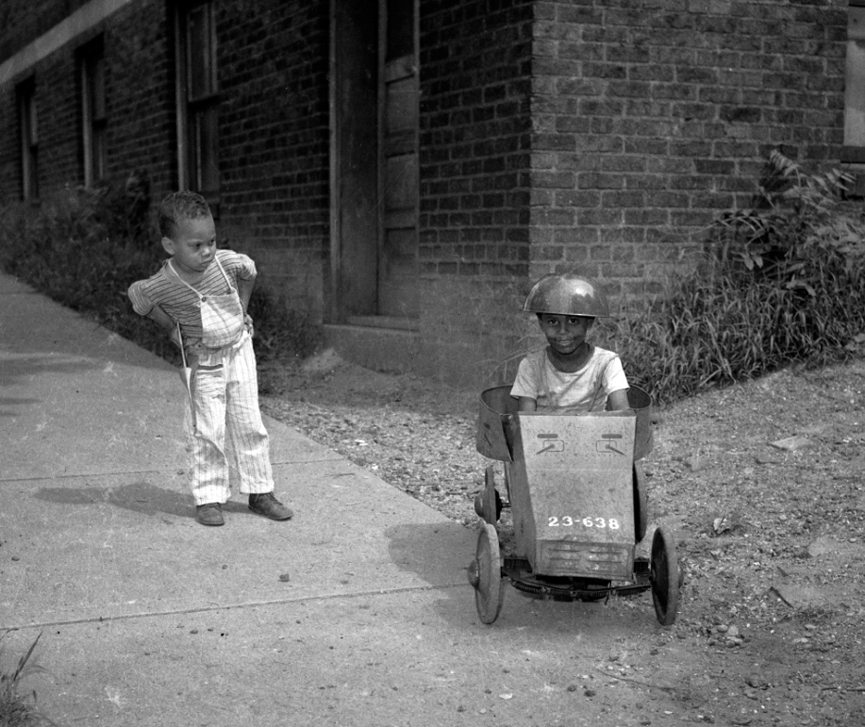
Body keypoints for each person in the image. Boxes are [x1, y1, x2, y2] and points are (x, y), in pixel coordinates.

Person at [128, 190, 293, 527]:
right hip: (203, 361)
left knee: (250, 423)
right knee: (207, 429)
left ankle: (260, 492)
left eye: (211, 241)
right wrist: (171, 328)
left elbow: (249, 271)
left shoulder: (225, 262)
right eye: (196, 246)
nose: (206, 252)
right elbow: (138, 297)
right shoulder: (162, 283)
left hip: (238, 350)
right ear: (170, 246)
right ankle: (209, 498)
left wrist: (242, 308)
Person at [511, 272, 630, 413]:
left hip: (594, 433)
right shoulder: (531, 366)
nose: (562, 331)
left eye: (573, 321)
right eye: (553, 321)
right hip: (545, 435)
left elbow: (622, 414)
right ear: (541, 324)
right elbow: (525, 423)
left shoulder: (606, 363)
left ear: (589, 323)